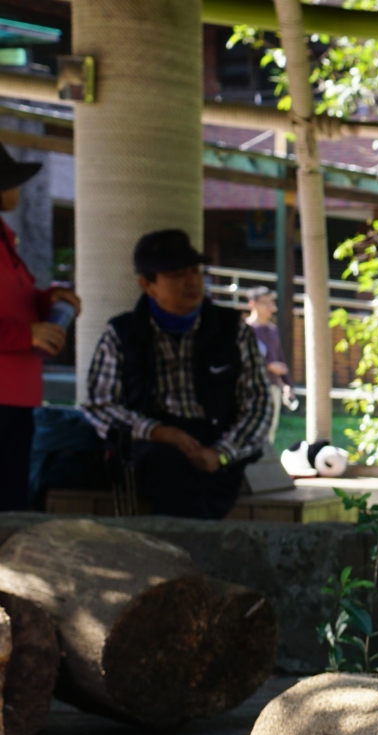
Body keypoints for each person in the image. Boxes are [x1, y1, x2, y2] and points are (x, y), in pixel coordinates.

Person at [81, 228, 275, 520]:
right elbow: (99, 405)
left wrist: (221, 453)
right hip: (150, 445)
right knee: (166, 466)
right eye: (176, 275)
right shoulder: (122, 333)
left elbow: (259, 404)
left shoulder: (231, 329)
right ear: (147, 284)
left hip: (216, 443)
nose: (191, 282)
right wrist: (157, 432)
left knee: (203, 486)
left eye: (195, 271)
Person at [0, 145, 78, 511]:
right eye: (11, 181)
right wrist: (26, 335)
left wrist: (51, 301)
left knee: (13, 506)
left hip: (16, 395)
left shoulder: (6, 239)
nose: (17, 190)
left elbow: (16, 300)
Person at [243, 286, 294, 441]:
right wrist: (268, 365)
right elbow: (241, 359)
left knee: (270, 431)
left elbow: (280, 358)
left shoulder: (273, 330)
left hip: (273, 387)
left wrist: (287, 385)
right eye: (265, 303)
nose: (271, 307)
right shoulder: (244, 329)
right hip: (250, 388)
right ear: (252, 304)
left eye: (272, 303)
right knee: (251, 429)